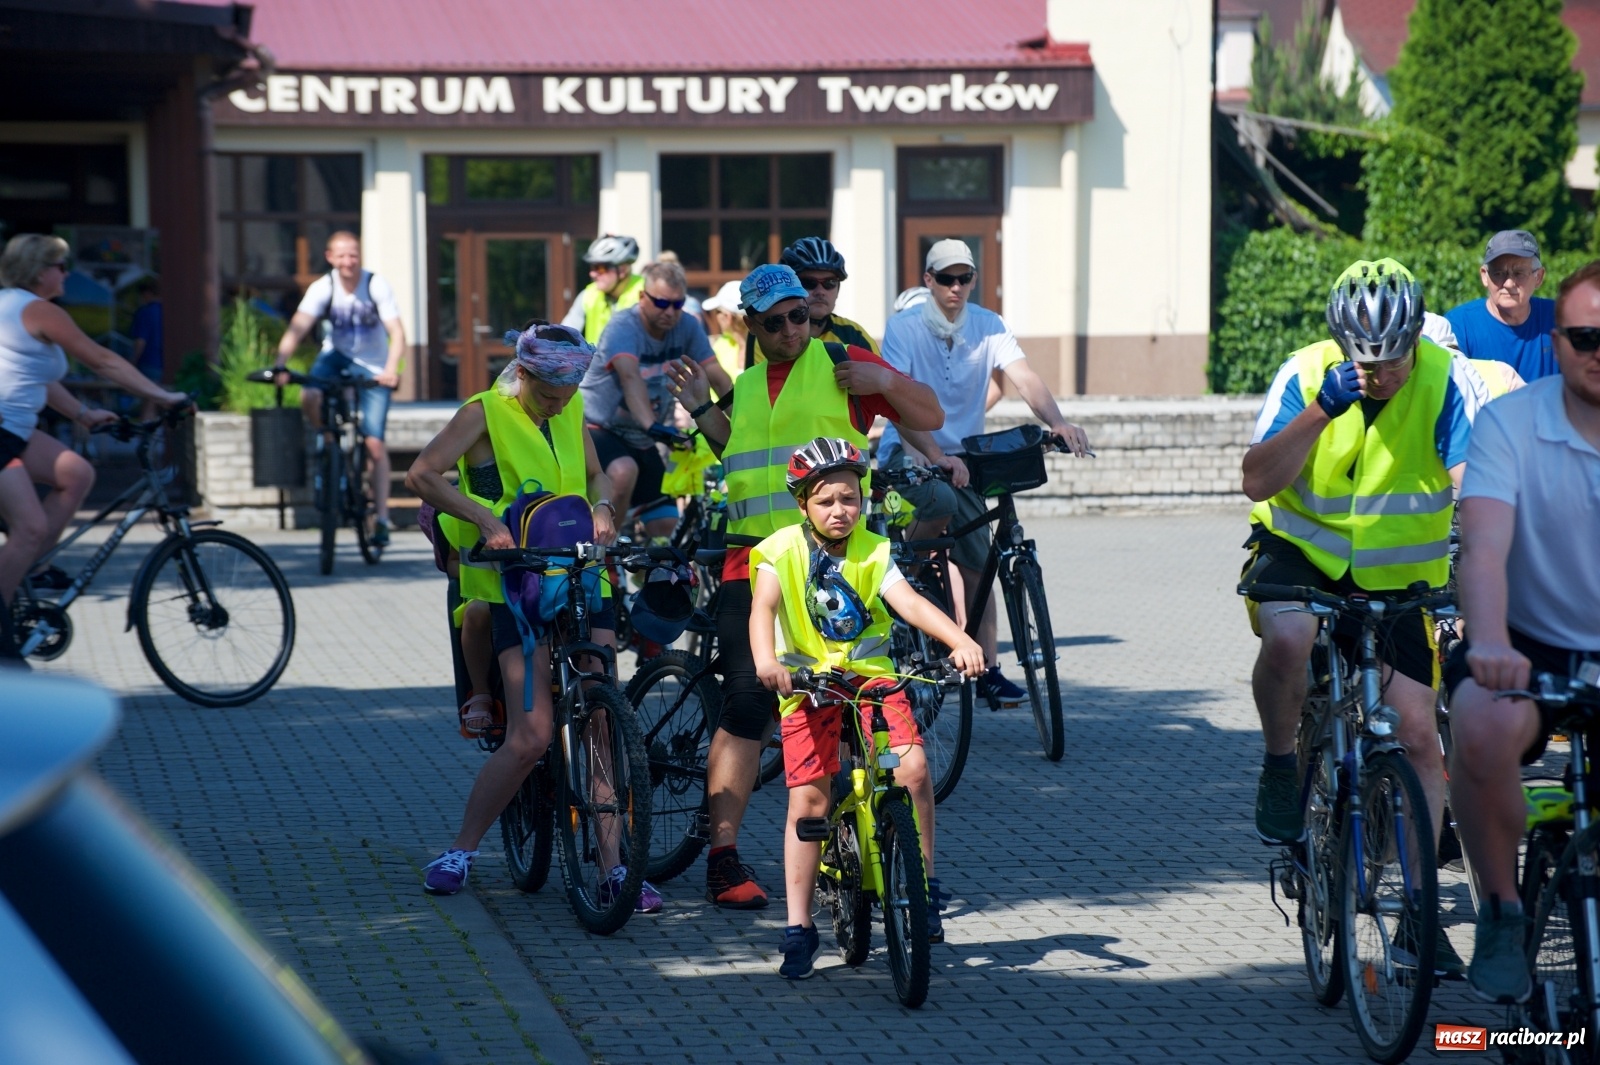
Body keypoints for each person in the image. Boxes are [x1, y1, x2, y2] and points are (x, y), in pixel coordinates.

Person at [665, 263, 944, 909]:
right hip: (753, 563)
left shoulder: (844, 362)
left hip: (838, 565)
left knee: (852, 699)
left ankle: (852, 846)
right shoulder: (751, 383)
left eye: (800, 314)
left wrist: (884, 380)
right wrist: (704, 410)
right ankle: (723, 856)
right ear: (753, 327)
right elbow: (737, 454)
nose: (793, 328)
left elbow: (928, 411)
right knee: (747, 704)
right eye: (776, 321)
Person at [1241, 259, 1481, 973]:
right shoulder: (1306, 372)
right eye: (1364, 360)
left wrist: (1478, 593)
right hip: (1301, 554)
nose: (1379, 373)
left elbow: (1478, 490)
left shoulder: (1445, 381)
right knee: (1289, 634)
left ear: (1415, 339)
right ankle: (1283, 764)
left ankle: (1417, 913)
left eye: (1393, 359)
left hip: (1401, 578)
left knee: (1417, 734)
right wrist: (1321, 409)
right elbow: (1256, 478)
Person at [405, 321, 663, 912]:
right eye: (548, 394)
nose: (559, 404)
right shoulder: (482, 412)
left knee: (602, 723)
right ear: (522, 373)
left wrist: (602, 505)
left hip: (580, 574)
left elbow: (597, 473)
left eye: (568, 394)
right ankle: (460, 852)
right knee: (531, 736)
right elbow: (421, 474)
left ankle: (613, 866)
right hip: (515, 582)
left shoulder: (569, 409)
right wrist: (487, 521)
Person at [749, 437, 984, 977]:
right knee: (808, 802)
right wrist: (767, 660)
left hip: (872, 683)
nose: (840, 511)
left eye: (850, 498)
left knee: (915, 769)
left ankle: (921, 884)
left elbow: (911, 603)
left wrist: (959, 640)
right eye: (827, 500)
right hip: (808, 686)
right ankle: (798, 926)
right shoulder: (780, 549)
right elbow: (762, 609)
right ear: (803, 503)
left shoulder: (875, 550)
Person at [1443, 260, 1600, 1004]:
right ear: (1557, 342)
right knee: (1476, 723)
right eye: (1585, 336)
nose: (1599, 350)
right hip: (1528, 643)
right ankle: (1502, 911)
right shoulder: (1510, 423)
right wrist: (1490, 640)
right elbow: (1484, 548)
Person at [877, 238, 1090, 706]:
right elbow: (895, 402)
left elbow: (1025, 378)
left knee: (980, 559)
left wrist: (1056, 422)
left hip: (964, 460)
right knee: (942, 504)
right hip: (911, 451)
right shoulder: (905, 327)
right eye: (946, 278)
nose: (956, 287)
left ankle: (987, 668)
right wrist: (932, 455)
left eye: (965, 278)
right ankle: (904, 574)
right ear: (928, 280)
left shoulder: (989, 325)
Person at [0, 234, 187, 662]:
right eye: (60, 266)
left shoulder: (10, 306)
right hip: (3, 433)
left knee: (76, 472)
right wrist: (165, 397)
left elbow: (34, 376)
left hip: (15, 430)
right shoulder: (37, 310)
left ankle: (33, 566)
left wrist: (82, 414)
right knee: (28, 527)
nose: (66, 273)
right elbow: (103, 360)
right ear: (39, 270)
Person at [273, 231, 406, 548]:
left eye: (354, 255)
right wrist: (280, 364)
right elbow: (298, 326)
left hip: (373, 366)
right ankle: (328, 437)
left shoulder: (375, 284)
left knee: (374, 444)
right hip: (336, 357)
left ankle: (383, 518)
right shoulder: (324, 287)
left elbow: (397, 333)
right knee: (310, 393)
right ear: (330, 257)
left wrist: (390, 370)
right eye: (342, 255)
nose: (348, 261)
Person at [580, 260, 732, 538]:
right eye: (661, 303)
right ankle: (608, 550)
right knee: (624, 470)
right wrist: (653, 426)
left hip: (642, 436)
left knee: (665, 527)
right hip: (599, 428)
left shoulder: (686, 325)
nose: (670, 312)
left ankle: (644, 578)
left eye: (678, 304)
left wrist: (742, 419)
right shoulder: (623, 325)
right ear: (642, 298)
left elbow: (715, 374)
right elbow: (630, 377)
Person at [1445, 229, 1558, 383]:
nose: (1509, 283)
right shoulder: (1458, 327)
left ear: (1538, 277)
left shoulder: (1559, 318)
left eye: (1519, 273)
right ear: (1485, 276)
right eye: (1498, 273)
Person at [562, 235, 643, 345]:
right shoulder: (588, 295)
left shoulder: (646, 293)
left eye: (601, 268)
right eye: (592, 267)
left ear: (622, 270)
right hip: (597, 361)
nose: (593, 274)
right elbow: (563, 334)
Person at [702, 280, 747, 384]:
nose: (716, 317)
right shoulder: (721, 344)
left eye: (718, 311)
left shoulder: (720, 347)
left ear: (728, 317)